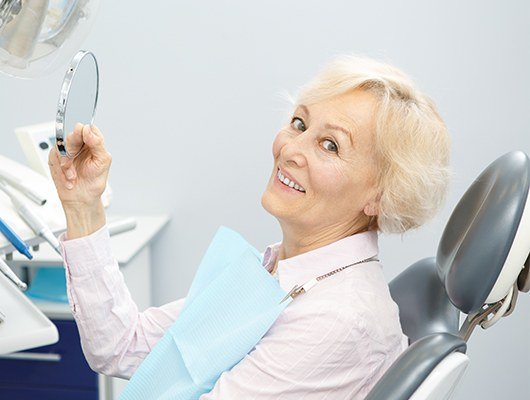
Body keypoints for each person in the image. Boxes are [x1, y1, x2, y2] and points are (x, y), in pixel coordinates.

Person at [48, 55, 450, 399]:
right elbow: (120, 346)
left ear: (381, 196)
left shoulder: (337, 320)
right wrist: (83, 205)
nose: (290, 150)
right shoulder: (280, 271)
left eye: (331, 145)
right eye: (298, 123)